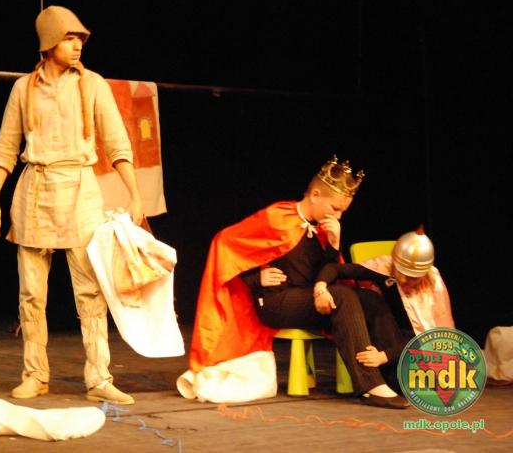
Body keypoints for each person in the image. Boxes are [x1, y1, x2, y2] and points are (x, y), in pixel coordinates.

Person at [0, 5, 144, 405]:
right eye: (69, 39)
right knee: (31, 292)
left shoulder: (93, 84)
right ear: (49, 43)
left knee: (90, 290)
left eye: (79, 40)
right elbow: (6, 147)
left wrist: (135, 195)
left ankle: (99, 377)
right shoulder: (23, 88)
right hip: (35, 188)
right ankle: (35, 374)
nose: (77, 46)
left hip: (80, 187)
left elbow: (117, 143)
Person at [184, 155, 409, 409]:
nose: (338, 216)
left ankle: (396, 375)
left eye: (342, 212)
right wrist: (255, 279)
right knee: (342, 295)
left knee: (369, 299)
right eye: (335, 208)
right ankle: (369, 385)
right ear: (315, 195)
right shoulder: (277, 217)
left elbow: (329, 272)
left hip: (310, 298)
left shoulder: (322, 229)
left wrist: (333, 245)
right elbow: (225, 243)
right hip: (276, 302)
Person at [317, 226, 455, 390]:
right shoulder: (384, 268)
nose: (404, 280)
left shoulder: (433, 286)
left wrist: (384, 356)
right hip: (389, 336)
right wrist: (320, 288)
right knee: (369, 299)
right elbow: (334, 269)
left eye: (413, 278)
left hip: (415, 348)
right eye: (402, 273)